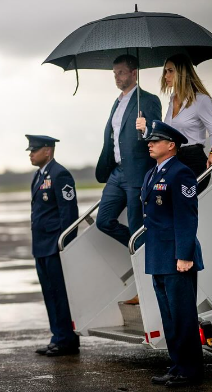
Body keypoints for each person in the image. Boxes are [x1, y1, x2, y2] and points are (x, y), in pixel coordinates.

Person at [141, 121, 204, 387]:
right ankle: (178, 365)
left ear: (171, 145)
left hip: (177, 256)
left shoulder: (181, 174)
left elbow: (187, 217)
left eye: (156, 140)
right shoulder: (151, 173)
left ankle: (190, 370)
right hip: (158, 254)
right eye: (150, 140)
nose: (150, 143)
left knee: (182, 315)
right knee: (169, 316)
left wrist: (184, 255)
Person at [96, 54, 162, 255]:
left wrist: (146, 129)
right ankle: (143, 248)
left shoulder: (148, 100)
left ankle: (145, 259)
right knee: (104, 221)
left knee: (137, 225)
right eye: (114, 73)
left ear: (134, 73)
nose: (117, 77)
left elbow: (157, 134)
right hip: (116, 172)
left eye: (121, 72)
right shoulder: (116, 103)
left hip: (138, 172)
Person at [26, 134, 80, 357]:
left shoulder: (60, 174)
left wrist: (65, 243)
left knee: (60, 294)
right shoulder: (39, 176)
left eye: (34, 149)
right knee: (49, 294)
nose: (30, 153)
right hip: (41, 245)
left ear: (48, 151)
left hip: (54, 245)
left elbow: (69, 212)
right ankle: (57, 337)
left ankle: (67, 339)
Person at [137, 53, 212, 194]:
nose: (166, 76)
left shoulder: (201, 100)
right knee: (170, 207)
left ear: (182, 73)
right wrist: (146, 129)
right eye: (165, 71)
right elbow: (169, 133)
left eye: (170, 71)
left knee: (182, 206)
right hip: (174, 161)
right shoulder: (173, 99)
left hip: (193, 162)